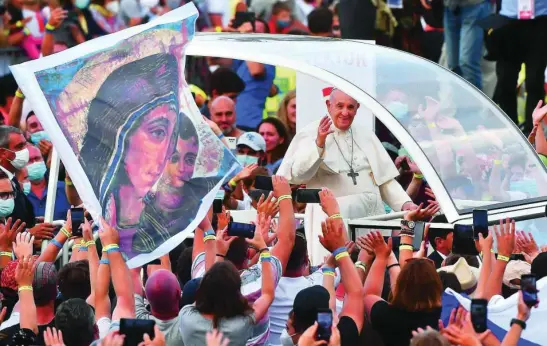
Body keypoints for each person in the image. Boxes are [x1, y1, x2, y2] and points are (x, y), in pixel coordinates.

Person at [278, 89, 417, 263]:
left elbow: (384, 180)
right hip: (332, 220)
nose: (345, 112)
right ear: (329, 105)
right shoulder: (310, 133)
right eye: (340, 106)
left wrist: (405, 203)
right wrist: (319, 145)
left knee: (372, 271)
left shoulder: (366, 135)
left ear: (357, 108)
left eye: (351, 107)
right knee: (334, 274)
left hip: (370, 220)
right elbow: (297, 176)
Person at [79, 53, 180, 259]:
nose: (167, 151)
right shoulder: (91, 225)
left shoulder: (170, 227)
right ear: (119, 134)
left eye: (172, 135)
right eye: (158, 132)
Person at [363, 232, 443, 346]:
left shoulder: (387, 316)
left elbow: (369, 295)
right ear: (437, 286)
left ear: (400, 285)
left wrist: (381, 257)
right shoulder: (443, 316)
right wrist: (389, 258)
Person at [493, 2, 547, 133]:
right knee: (505, 80)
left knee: (535, 82)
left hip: (540, 20)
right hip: (508, 20)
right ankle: (510, 128)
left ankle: (532, 131)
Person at [442, 0, 490, 90]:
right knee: (453, 65)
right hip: (450, 7)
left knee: (467, 63)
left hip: (475, 5)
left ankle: (474, 104)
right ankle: (458, 102)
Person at [133, 268, 183, 345]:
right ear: (179, 293)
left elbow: (134, 275)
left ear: (147, 298)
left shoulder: (139, 321)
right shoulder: (189, 327)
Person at [24, 145, 70, 221]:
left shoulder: (65, 189)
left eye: (37, 158)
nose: (35, 163)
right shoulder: (17, 196)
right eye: (29, 161)